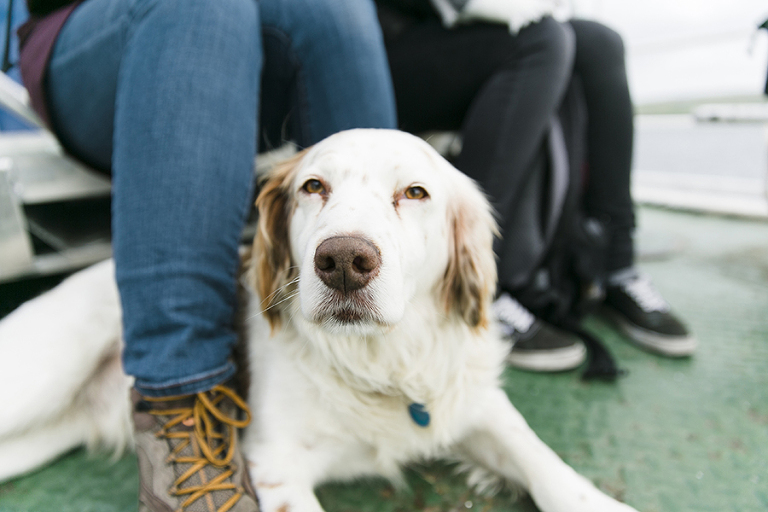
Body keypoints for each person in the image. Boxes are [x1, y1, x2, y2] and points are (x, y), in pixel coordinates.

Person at [17, 0, 397, 510]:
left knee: (336, 8)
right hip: (98, 36)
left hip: (249, 35)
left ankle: (384, 328)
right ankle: (180, 405)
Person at [376, 0, 696, 372]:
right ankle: (471, 282)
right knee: (542, 40)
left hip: (446, 26)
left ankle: (615, 265)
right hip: (375, 41)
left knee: (599, 41)